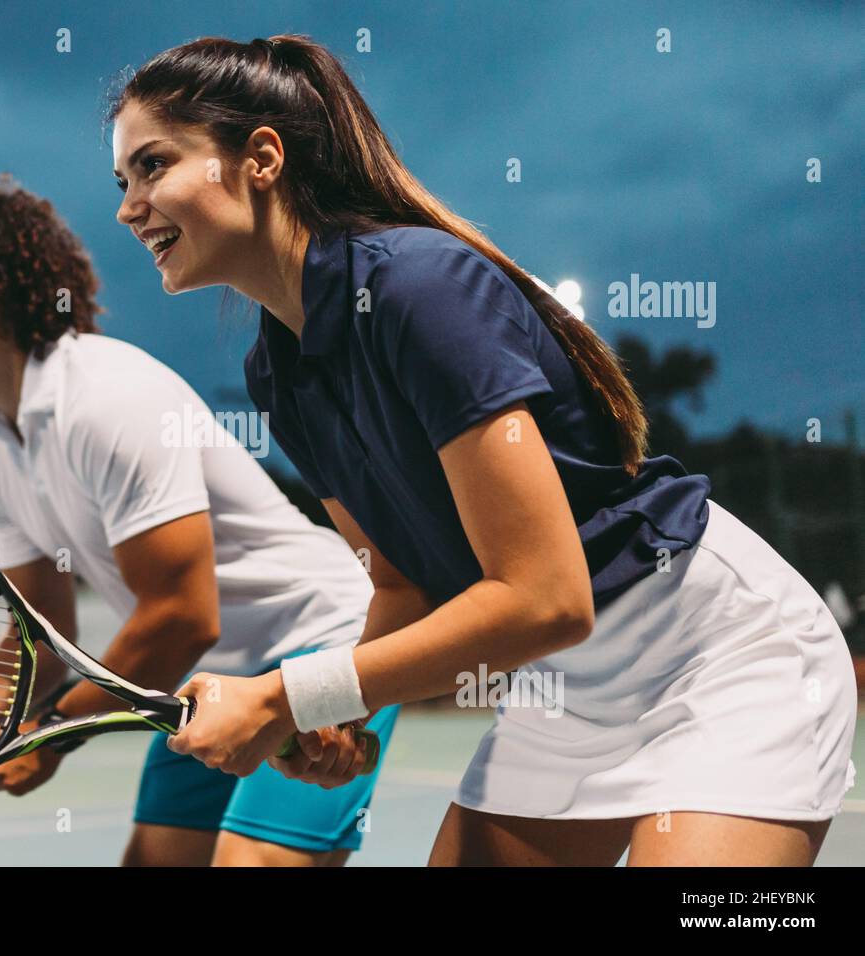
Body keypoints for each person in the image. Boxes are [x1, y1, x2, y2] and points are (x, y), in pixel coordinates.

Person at [107, 34, 857, 865]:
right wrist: (336, 718)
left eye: (153, 165)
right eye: (123, 181)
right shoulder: (277, 372)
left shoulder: (419, 288)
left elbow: (547, 598)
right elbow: (400, 583)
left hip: (717, 654)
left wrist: (289, 695)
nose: (129, 205)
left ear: (261, 159)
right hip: (562, 688)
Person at [0, 169, 397, 866]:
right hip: (210, 678)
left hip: (322, 632)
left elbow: (181, 616)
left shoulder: (106, 397)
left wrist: (48, 735)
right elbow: (43, 632)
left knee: (253, 864)